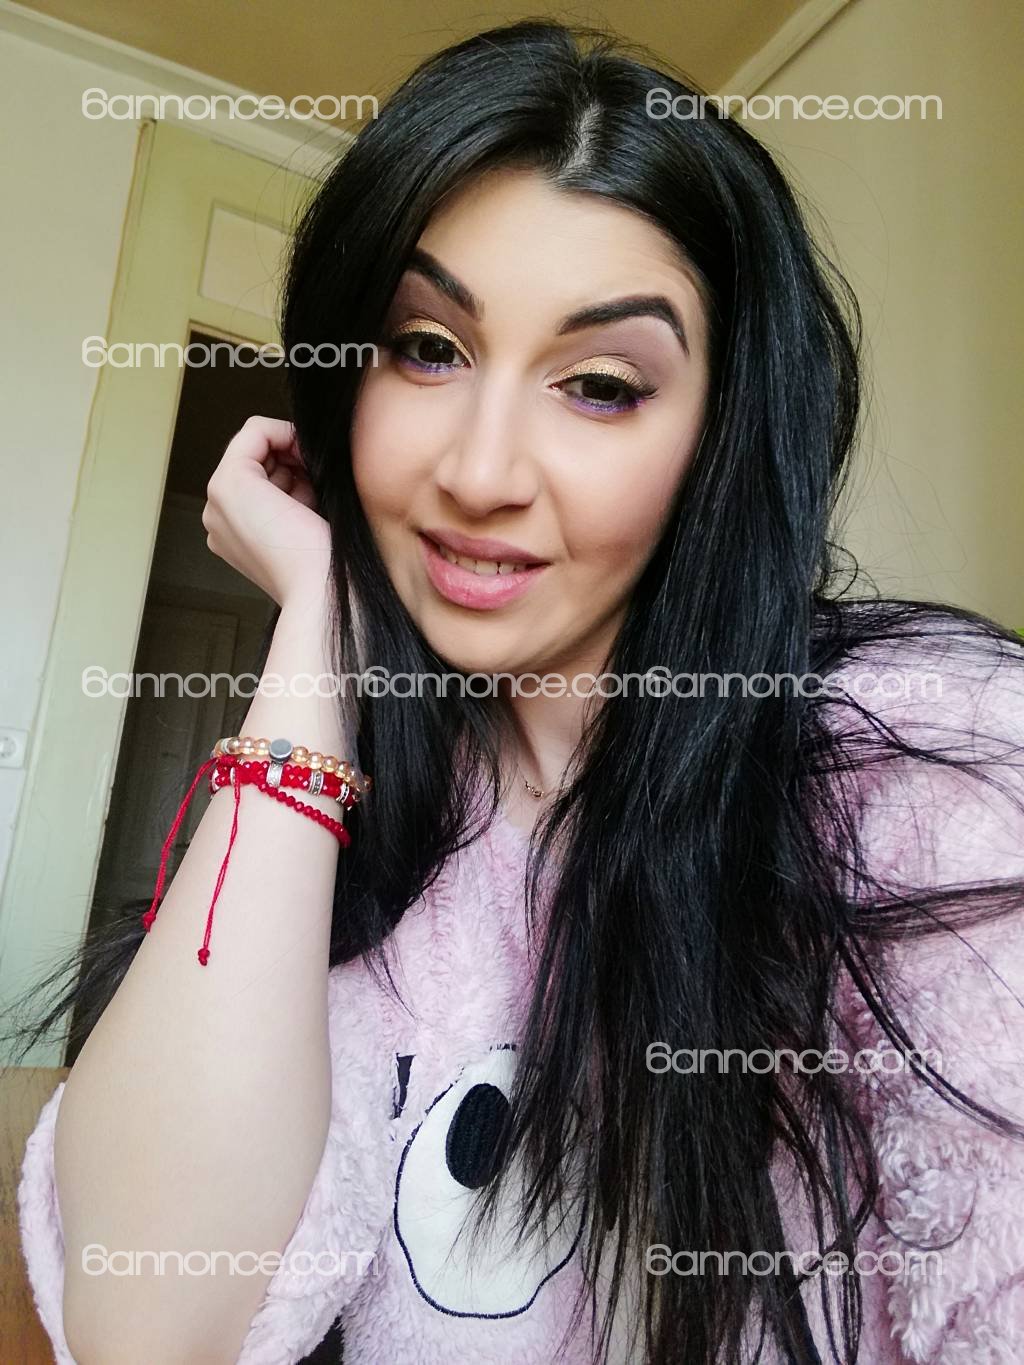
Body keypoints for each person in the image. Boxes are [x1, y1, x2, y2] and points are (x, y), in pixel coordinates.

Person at [9, 19, 1024, 1365]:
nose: (481, 472)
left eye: (599, 385)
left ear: (720, 436)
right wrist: (320, 627)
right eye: (427, 349)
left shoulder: (926, 759)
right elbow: (151, 1324)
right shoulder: (361, 831)